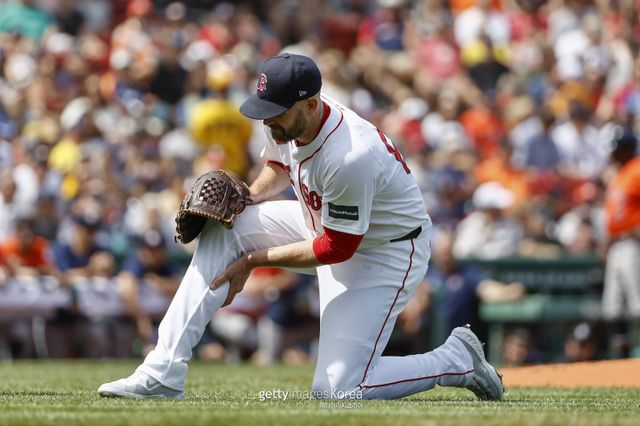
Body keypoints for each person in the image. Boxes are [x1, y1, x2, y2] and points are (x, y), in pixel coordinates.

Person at [98, 53, 504, 401]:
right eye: (265, 109)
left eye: (277, 112)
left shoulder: (349, 155)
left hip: (383, 251)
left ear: (311, 104)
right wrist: (249, 195)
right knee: (227, 227)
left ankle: (456, 360)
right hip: (323, 224)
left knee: (339, 390)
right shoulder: (287, 117)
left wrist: (253, 260)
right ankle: (162, 371)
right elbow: (278, 163)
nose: (269, 120)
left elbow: (336, 248)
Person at [601, 127, 640, 320]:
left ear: (627, 149)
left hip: (633, 243)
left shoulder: (637, 170)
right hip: (616, 243)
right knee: (612, 309)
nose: (612, 155)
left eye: (616, 150)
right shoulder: (620, 174)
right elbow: (614, 215)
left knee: (637, 303)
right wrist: (607, 243)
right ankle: (619, 342)